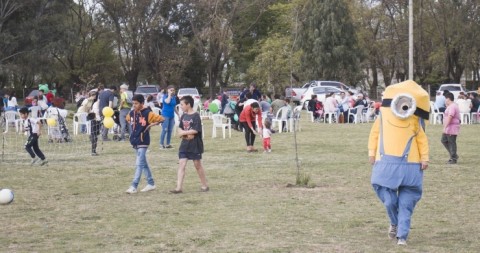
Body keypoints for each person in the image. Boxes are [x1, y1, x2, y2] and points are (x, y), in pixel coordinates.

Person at [368, 80, 429, 246]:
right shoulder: (383, 117)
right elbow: (374, 134)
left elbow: (422, 139)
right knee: (388, 199)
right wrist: (372, 153)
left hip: (411, 166)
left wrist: (424, 158)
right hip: (385, 163)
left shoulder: (416, 120)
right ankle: (394, 222)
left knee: (406, 203)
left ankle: (402, 236)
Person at [125, 94, 165, 194]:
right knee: (143, 163)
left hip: (143, 141)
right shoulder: (131, 113)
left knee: (139, 164)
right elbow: (127, 119)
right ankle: (151, 183)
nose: (134, 105)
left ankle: (134, 186)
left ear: (142, 103)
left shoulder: (148, 113)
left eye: (136, 103)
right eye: (133, 103)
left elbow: (161, 119)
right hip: (134, 140)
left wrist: (150, 125)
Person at [169, 95, 208, 194]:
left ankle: (204, 185)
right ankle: (178, 188)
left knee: (197, 165)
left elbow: (195, 130)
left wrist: (183, 133)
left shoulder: (195, 116)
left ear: (188, 104)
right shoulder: (183, 116)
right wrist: (183, 133)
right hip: (184, 145)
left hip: (195, 145)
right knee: (182, 164)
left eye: (182, 104)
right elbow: (180, 128)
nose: (181, 106)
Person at [441, 92, 461, 164]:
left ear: (448, 99)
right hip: (448, 127)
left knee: (451, 142)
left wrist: (445, 127)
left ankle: (453, 158)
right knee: (444, 140)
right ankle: (454, 155)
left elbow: (450, 117)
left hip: (452, 127)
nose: (445, 100)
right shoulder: (450, 106)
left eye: (445, 99)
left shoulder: (453, 106)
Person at [160, 85, 177, 149]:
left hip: (171, 115)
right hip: (165, 115)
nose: (172, 91)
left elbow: (174, 106)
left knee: (170, 130)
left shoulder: (174, 97)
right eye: (171, 90)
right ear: (168, 90)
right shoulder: (165, 96)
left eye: (173, 90)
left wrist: (178, 114)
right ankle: (161, 144)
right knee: (164, 130)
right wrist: (169, 95)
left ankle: (168, 144)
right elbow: (167, 101)